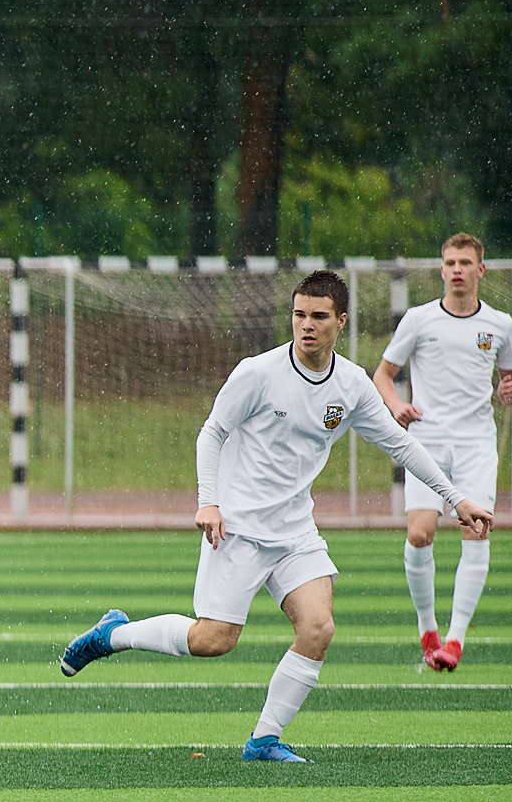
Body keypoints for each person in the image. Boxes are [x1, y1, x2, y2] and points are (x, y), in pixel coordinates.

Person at [59, 270, 489, 762]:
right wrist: (209, 500)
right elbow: (212, 433)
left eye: (319, 316)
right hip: (237, 529)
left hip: (294, 532)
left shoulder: (351, 384)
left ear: (340, 321)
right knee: (213, 639)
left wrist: (456, 499)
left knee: (318, 628)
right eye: (299, 314)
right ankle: (112, 634)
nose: (306, 325)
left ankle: (264, 739)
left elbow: (402, 444)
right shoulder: (257, 373)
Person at [371, 234, 511, 670]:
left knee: (477, 531)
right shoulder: (418, 320)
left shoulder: (501, 325)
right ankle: (428, 626)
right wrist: (397, 407)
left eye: (465, 262)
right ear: (441, 269)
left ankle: (454, 640)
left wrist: (507, 391)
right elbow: (383, 375)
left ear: (480, 270)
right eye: (450, 262)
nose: (456, 269)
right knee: (420, 533)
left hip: (475, 443)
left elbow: (507, 383)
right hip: (426, 443)